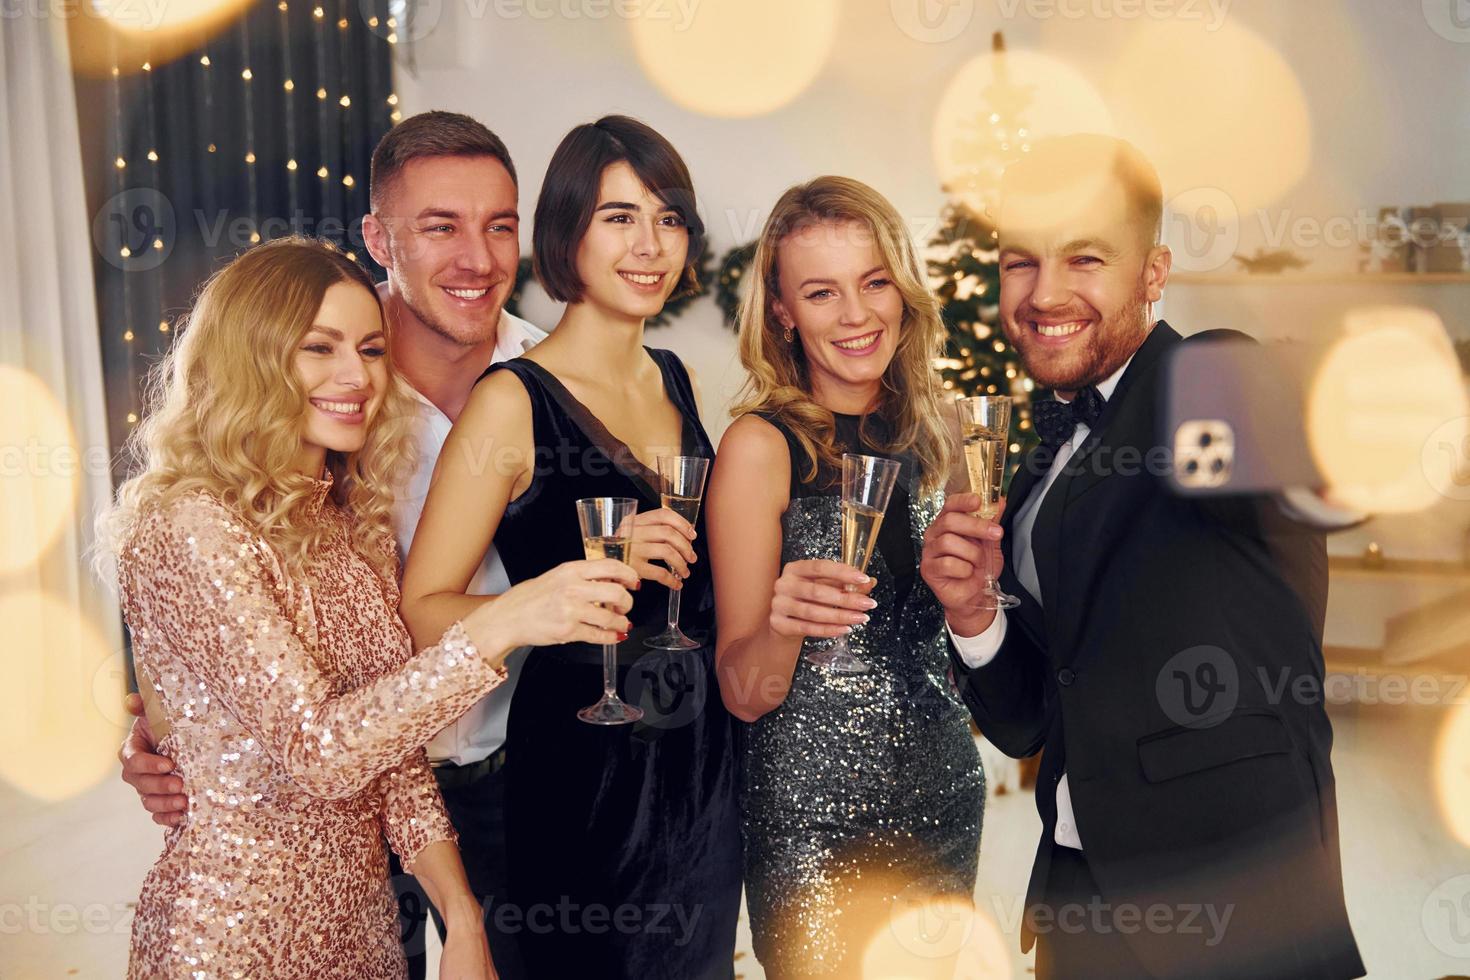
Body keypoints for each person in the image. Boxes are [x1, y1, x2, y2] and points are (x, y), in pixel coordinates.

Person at [101, 236, 637, 979]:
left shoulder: (351, 521)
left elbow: (394, 759)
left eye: (371, 349)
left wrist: (464, 919)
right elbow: (321, 753)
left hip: (364, 935)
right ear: (249, 359)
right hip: (231, 936)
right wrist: (504, 621)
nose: (356, 377)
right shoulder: (190, 526)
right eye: (318, 349)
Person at [919, 134, 1364, 979]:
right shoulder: (1038, 465)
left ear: (1154, 274)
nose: (1044, 294)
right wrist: (974, 612)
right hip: (1077, 909)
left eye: (1085, 257)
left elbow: (1313, 480)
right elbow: (1027, 724)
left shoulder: (1206, 377)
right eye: (1021, 262)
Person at [398, 115, 742, 979]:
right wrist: (566, 586)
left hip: (699, 760)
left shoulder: (676, 376)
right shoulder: (510, 401)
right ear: (566, 231)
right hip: (586, 762)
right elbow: (423, 606)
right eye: (619, 217)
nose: (651, 244)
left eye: (669, 219)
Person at [707, 176, 985, 978]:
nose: (858, 315)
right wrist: (783, 626)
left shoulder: (947, 436)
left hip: (942, 797)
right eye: (822, 293)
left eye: (873, 283)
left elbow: (972, 630)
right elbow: (742, 689)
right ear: (784, 311)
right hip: (812, 823)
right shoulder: (760, 449)